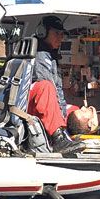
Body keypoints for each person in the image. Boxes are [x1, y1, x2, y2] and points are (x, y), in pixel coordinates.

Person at [28, 16, 84, 155]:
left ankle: (63, 136)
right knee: (45, 86)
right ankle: (58, 139)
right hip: (26, 103)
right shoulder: (39, 53)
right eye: (56, 33)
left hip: (37, 102)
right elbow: (49, 86)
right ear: (43, 32)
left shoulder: (50, 55)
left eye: (62, 34)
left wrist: (63, 114)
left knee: (71, 108)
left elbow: (58, 89)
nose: (60, 38)